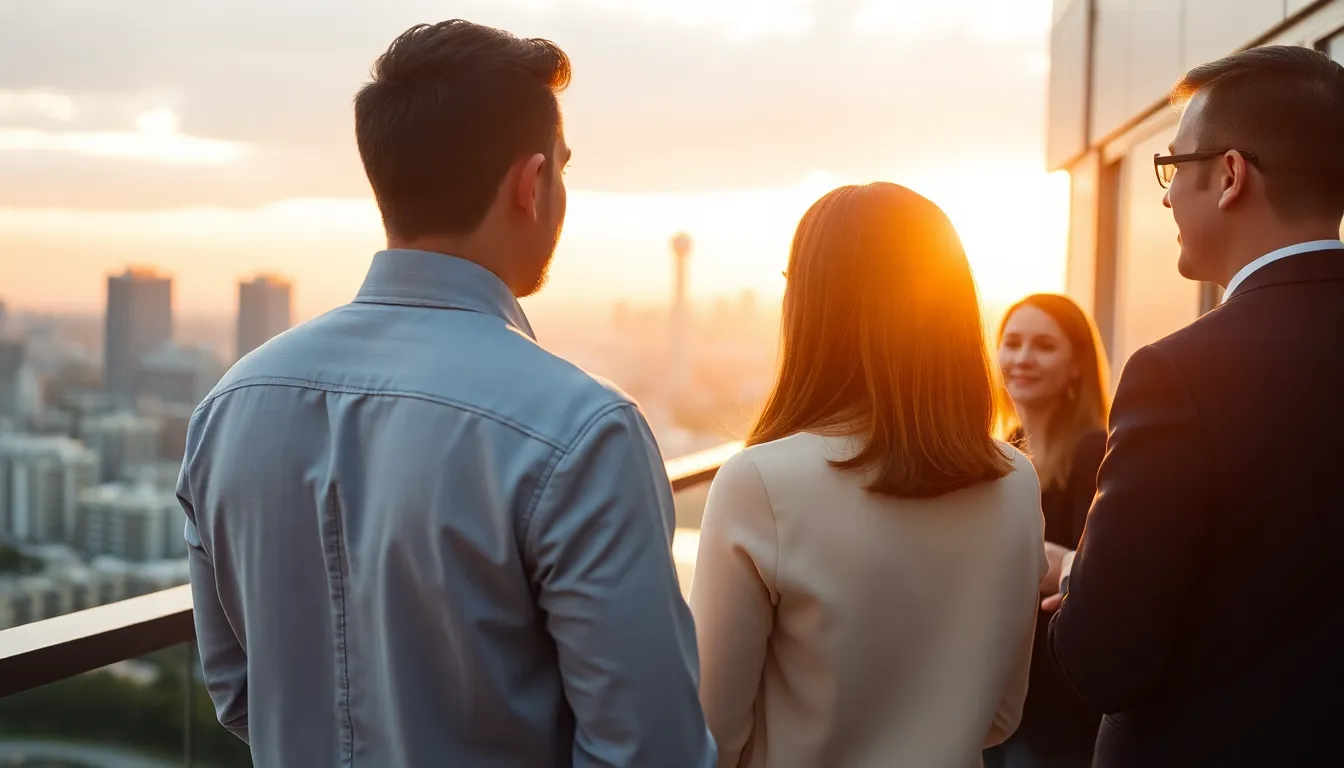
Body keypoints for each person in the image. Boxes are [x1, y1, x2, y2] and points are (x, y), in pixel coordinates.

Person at [177, 20, 714, 767]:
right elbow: (653, 751)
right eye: (560, 169)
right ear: (532, 186)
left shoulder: (228, 409)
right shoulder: (581, 432)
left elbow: (240, 694)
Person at [1047, 45, 1344, 766]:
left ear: (1231, 176)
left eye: (1173, 167)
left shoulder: (1180, 375)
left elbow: (1101, 659)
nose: (1166, 195)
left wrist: (1076, 575)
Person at [690, 182, 1046, 768]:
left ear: (812, 309)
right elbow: (1002, 715)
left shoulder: (757, 484)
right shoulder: (1014, 480)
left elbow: (709, 734)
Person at [984, 294, 1109, 768]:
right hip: (993, 685)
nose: (1021, 358)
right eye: (1011, 343)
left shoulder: (1095, 451)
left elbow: (1091, 571)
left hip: (1053, 702)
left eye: (1043, 346)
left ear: (1076, 365)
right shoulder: (1000, 450)